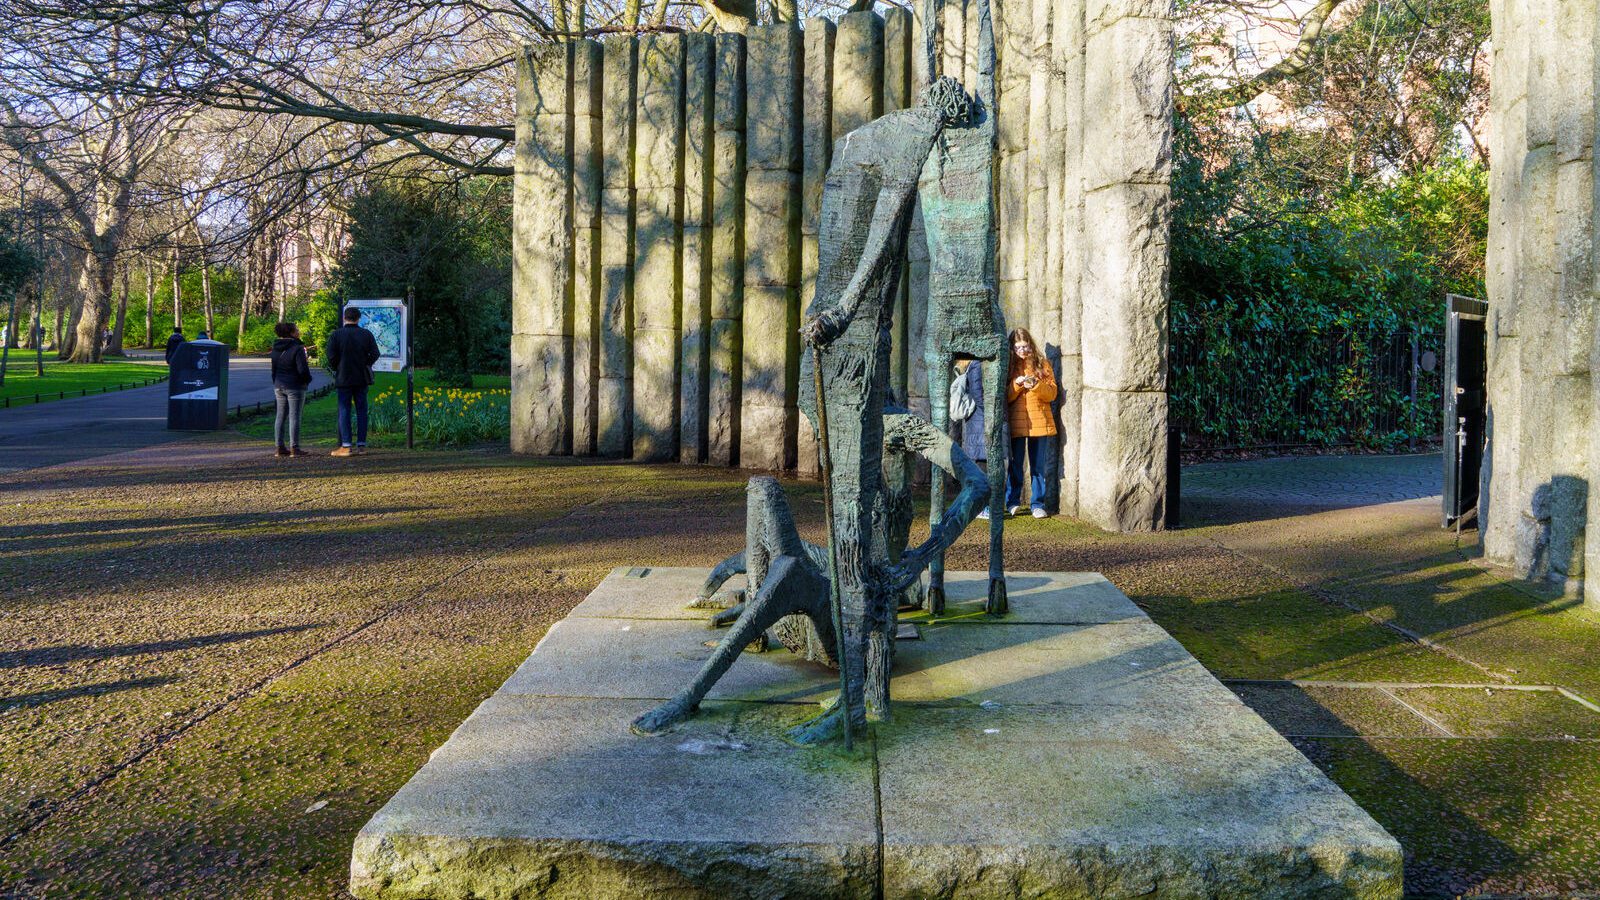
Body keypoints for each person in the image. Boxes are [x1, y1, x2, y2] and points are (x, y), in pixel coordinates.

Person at [1004, 327, 1057, 518]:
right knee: (1015, 464)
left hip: (1039, 421)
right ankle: (1012, 502)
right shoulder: (1008, 365)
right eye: (1018, 347)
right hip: (1016, 422)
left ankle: (1038, 504)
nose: (1022, 351)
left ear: (1031, 345)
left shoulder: (1042, 364)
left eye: (1025, 347)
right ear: (1012, 348)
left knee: (1038, 466)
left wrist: (1036, 385)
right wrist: (1017, 384)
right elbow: (1005, 397)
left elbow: (1052, 394)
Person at [325, 305, 381, 457]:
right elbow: (375, 353)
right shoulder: (366, 334)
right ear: (358, 318)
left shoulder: (336, 334)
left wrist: (338, 365)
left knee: (344, 410)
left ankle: (346, 445)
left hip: (344, 377)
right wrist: (365, 363)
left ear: (344, 318)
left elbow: (330, 356)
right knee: (362, 410)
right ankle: (361, 445)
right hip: (361, 377)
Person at [269, 322, 313, 458]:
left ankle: (279, 447)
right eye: (297, 329)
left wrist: (276, 382)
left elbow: (273, 368)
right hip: (295, 385)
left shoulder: (275, 347)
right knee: (294, 416)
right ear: (291, 333)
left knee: (280, 416)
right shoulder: (297, 348)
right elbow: (302, 369)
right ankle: (295, 447)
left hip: (279, 385)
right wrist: (307, 380)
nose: (299, 331)